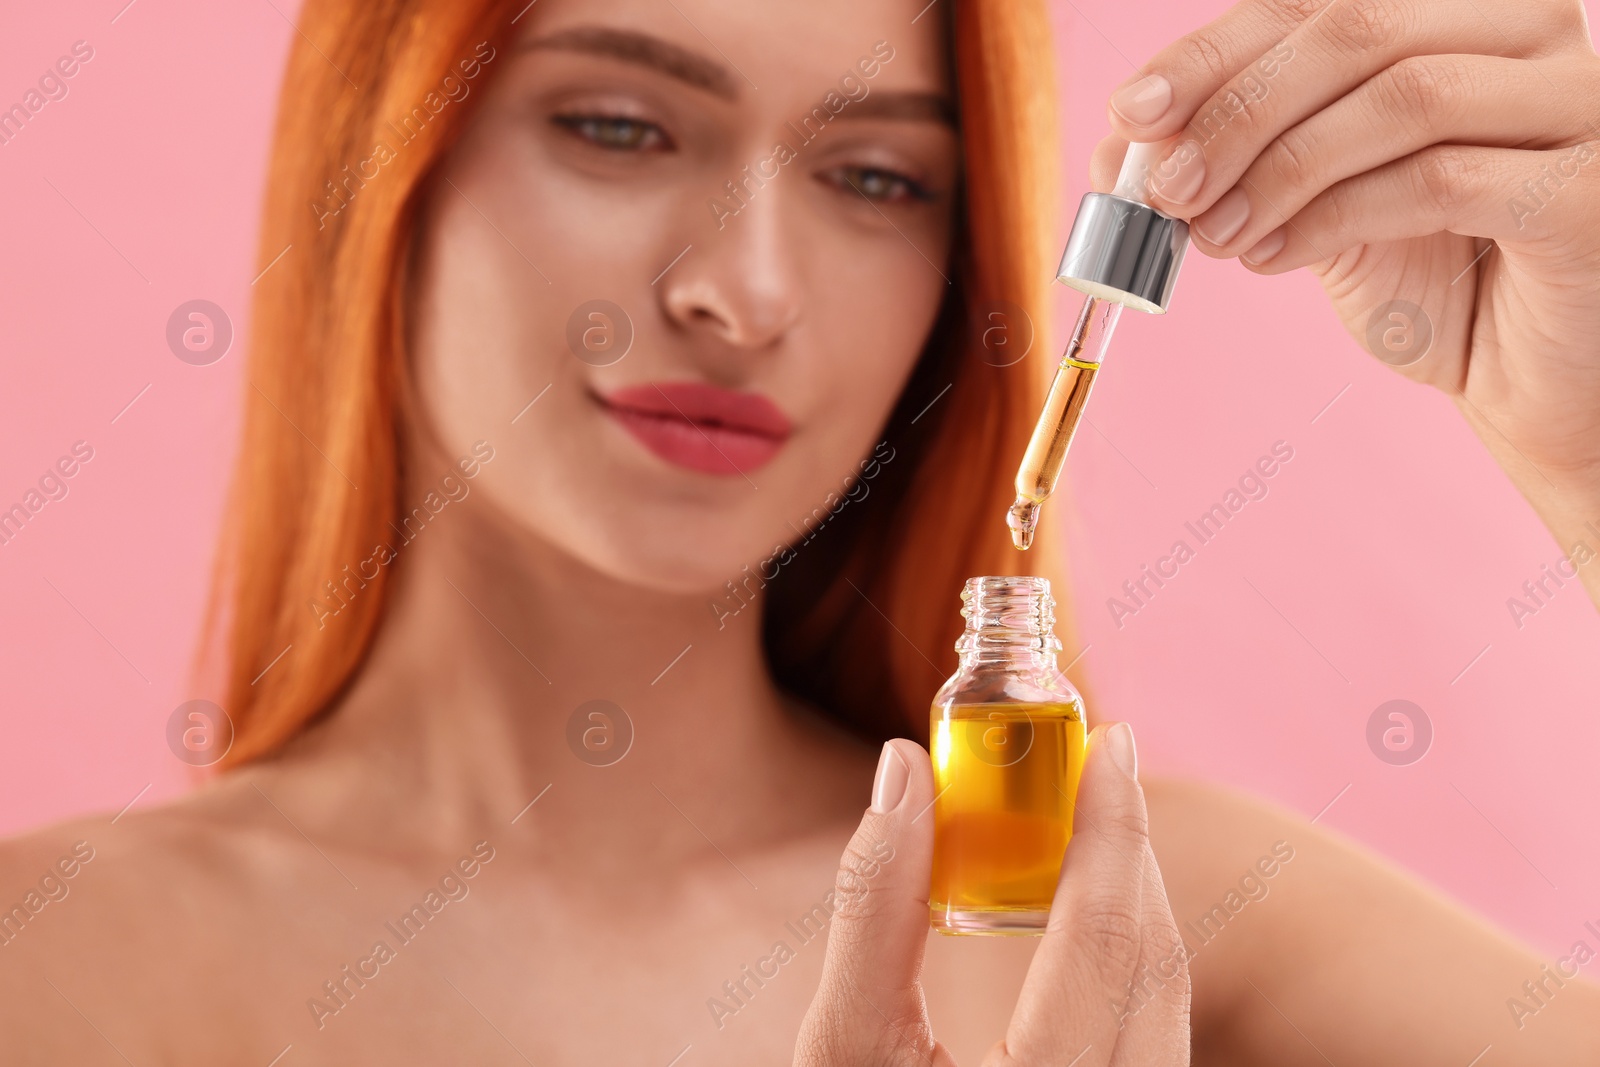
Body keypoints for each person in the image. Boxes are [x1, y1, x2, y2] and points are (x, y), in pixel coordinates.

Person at [1, 0, 1597, 1062]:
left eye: (878, 176)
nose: (744, 291)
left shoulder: (1138, 915)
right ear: (387, 158)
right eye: (620, 128)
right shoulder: (52, 969)